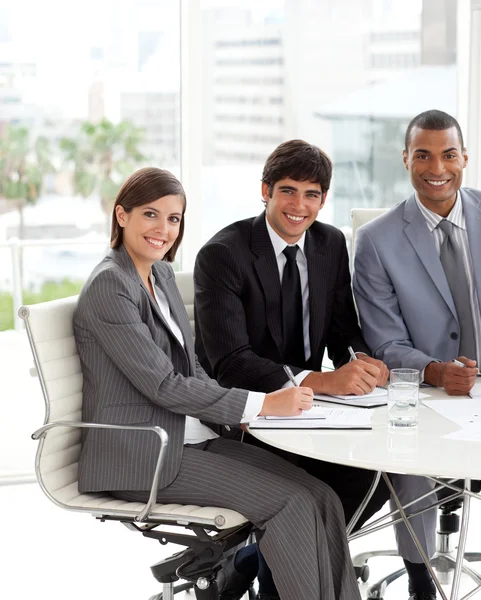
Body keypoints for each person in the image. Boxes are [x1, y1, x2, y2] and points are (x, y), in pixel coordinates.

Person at [73, 167, 362, 600]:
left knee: (321, 496)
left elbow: (191, 366)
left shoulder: (160, 275)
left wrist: (237, 417)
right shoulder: (110, 286)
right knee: (292, 503)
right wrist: (260, 405)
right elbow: (165, 386)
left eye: (174, 219)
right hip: (142, 454)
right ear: (121, 215)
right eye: (151, 215)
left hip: (187, 436)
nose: (163, 229)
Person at [194, 140, 436, 600]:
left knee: (375, 468)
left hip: (309, 408)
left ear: (324, 199)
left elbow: (344, 328)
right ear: (265, 191)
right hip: (247, 413)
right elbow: (231, 363)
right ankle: (273, 578)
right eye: (288, 191)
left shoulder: (330, 243)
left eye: (311, 194)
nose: (299, 206)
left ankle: (255, 559)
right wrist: (321, 380)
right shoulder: (222, 255)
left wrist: (363, 361)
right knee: (307, 494)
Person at [353, 109, 479, 397]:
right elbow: (386, 343)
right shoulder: (375, 240)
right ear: (406, 159)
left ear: (464, 158)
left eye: (448, 155)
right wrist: (437, 372)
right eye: (423, 156)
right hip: (430, 395)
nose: (437, 169)